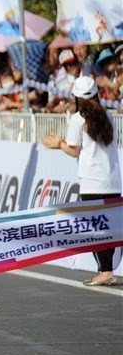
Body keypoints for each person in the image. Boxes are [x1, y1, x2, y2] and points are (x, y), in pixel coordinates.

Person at [43, 77, 121, 287]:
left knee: (97, 229)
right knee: (110, 228)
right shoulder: (109, 117)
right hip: (113, 181)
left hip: (91, 182)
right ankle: (107, 270)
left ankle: (105, 271)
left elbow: (73, 150)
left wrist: (58, 143)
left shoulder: (78, 119)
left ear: (76, 97)